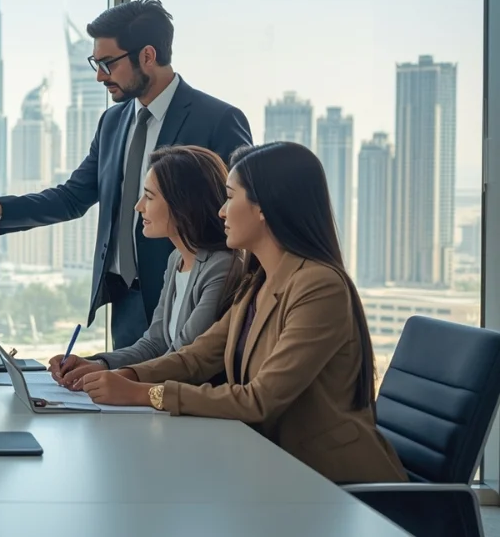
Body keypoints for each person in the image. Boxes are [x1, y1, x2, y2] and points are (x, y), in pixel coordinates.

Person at [76, 142, 408, 484]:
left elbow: (259, 399)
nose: (221, 211)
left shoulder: (319, 287)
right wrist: (127, 375)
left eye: (230, 197)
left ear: (263, 208)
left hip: (335, 482)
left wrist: (143, 393)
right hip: (273, 468)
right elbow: (197, 357)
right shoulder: (259, 281)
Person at [0, 0, 252, 349]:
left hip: (193, 294)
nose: (99, 75)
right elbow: (73, 196)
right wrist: (0, 209)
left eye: (107, 63)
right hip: (124, 299)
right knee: (121, 382)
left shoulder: (217, 120)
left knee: (182, 383)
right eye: (95, 63)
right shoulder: (113, 122)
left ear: (147, 56)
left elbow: (244, 208)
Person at [48, 145, 238, 390]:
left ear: (183, 203)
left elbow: (183, 357)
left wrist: (120, 378)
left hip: (190, 402)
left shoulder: (221, 267)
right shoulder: (176, 260)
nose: (139, 206)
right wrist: (98, 364)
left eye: (149, 196)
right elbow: (154, 344)